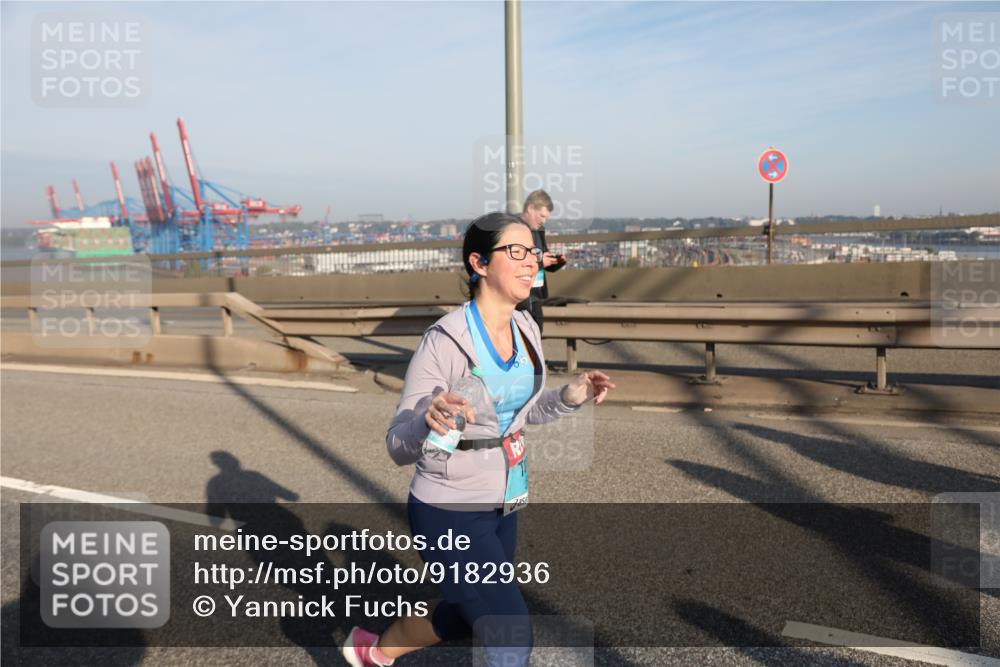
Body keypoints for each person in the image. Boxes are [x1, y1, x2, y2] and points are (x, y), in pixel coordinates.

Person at [342, 212, 615, 667]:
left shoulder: (525, 328)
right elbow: (396, 445)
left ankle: (373, 651)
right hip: (448, 507)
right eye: (516, 251)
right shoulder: (446, 340)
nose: (531, 262)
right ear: (480, 263)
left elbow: (517, 416)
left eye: (532, 251)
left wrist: (570, 396)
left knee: (469, 615)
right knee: (510, 631)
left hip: (504, 501)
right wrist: (427, 421)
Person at [516, 189, 567, 335]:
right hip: (519, 298)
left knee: (536, 337)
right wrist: (540, 262)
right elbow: (514, 262)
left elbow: (542, 259)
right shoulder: (513, 229)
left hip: (536, 295)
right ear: (530, 208)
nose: (543, 221)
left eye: (546, 218)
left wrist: (556, 262)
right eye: (542, 216)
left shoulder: (539, 231)